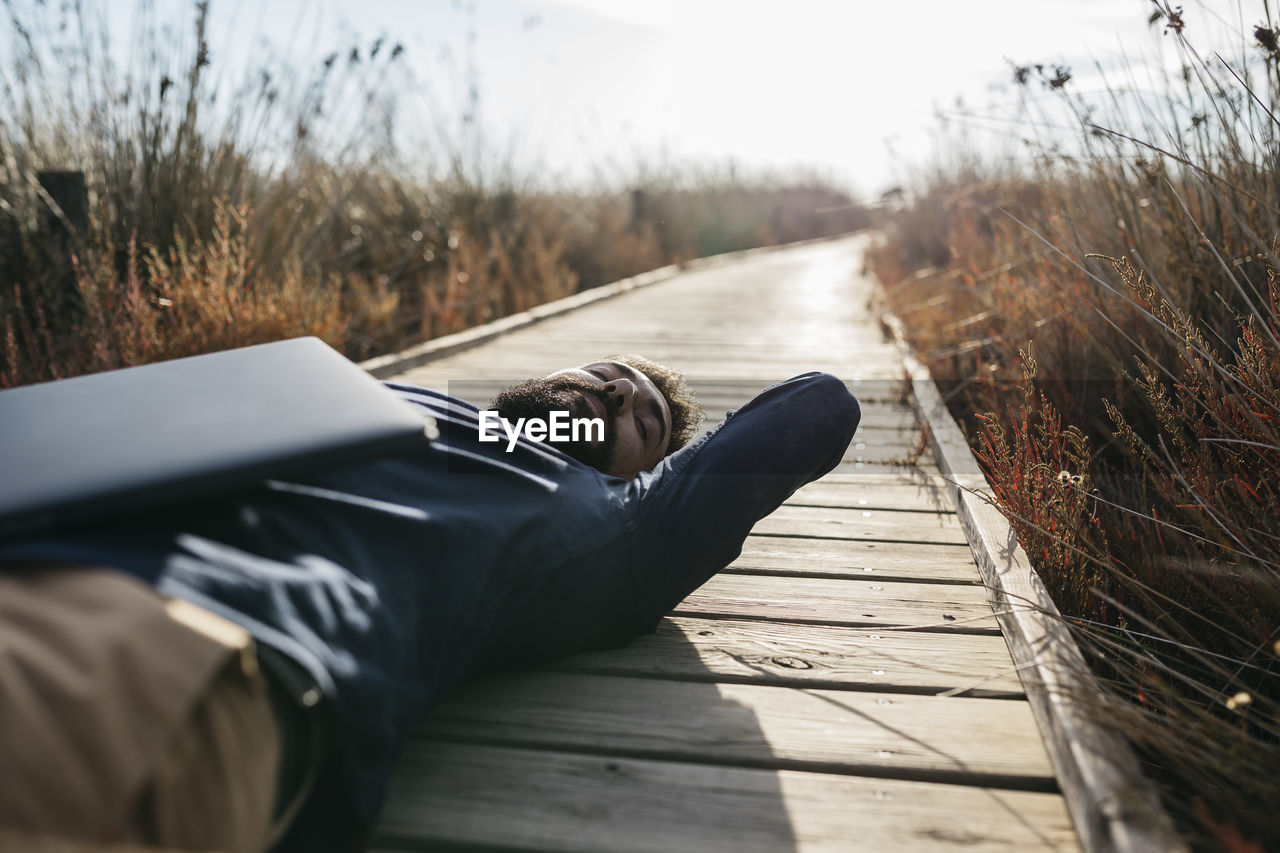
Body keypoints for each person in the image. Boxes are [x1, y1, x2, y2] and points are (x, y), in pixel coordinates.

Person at [0, 353, 860, 853]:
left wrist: (660, 461)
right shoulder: (378, 398)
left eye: (639, 419)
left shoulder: (617, 528)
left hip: (165, 636)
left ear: (650, 475)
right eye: (605, 375)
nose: (617, 393)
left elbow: (817, 407)